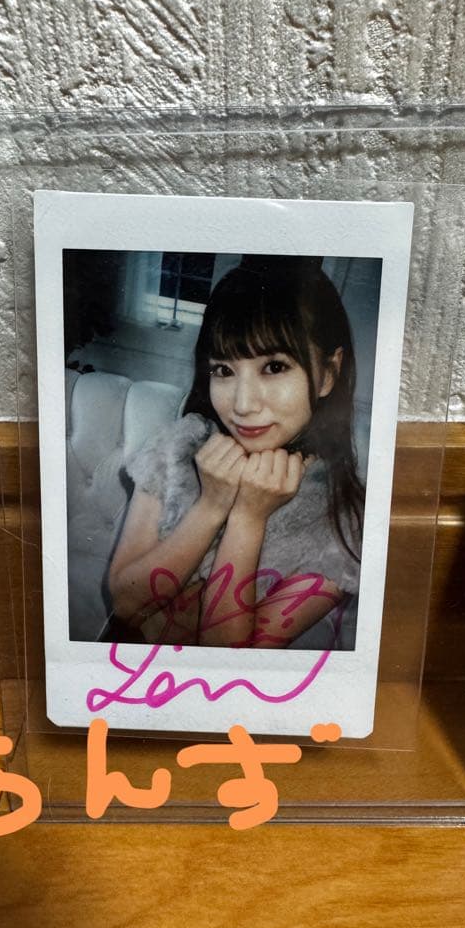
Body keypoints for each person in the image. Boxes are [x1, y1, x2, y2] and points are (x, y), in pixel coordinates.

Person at [106, 257, 365, 650]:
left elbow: (226, 657)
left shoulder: (345, 522)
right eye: (224, 370)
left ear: (328, 374)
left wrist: (247, 518)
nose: (242, 405)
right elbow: (125, 605)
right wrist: (211, 507)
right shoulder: (180, 444)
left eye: (274, 367)